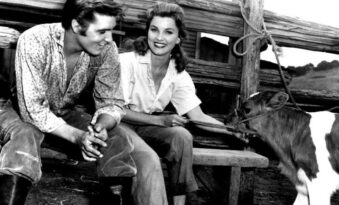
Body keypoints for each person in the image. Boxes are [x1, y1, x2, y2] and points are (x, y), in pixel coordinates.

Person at [0, 0, 136, 204]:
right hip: (17, 110)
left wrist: (100, 127)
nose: (109, 39)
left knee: (118, 138)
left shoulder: (107, 50)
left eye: (111, 31)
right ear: (76, 26)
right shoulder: (35, 39)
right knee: (27, 134)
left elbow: (111, 101)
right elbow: (33, 111)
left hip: (63, 113)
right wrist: (77, 136)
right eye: (102, 32)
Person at [118, 2, 239, 205]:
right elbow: (116, 110)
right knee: (150, 158)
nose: (159, 38)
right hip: (118, 123)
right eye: (154, 29)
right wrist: (161, 122)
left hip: (145, 126)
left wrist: (231, 130)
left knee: (182, 136)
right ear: (147, 32)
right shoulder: (127, 62)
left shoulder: (178, 74)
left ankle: (179, 202)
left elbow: (198, 117)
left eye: (168, 32)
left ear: (178, 38)